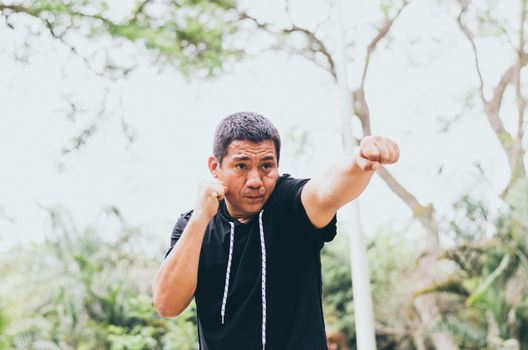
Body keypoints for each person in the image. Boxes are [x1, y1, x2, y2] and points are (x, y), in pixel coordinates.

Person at [152, 112, 400, 350]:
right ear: (215, 167)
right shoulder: (192, 225)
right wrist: (200, 219)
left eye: (266, 166)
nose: (255, 180)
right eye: (241, 166)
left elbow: (326, 191)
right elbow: (167, 304)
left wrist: (360, 163)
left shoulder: (288, 203)